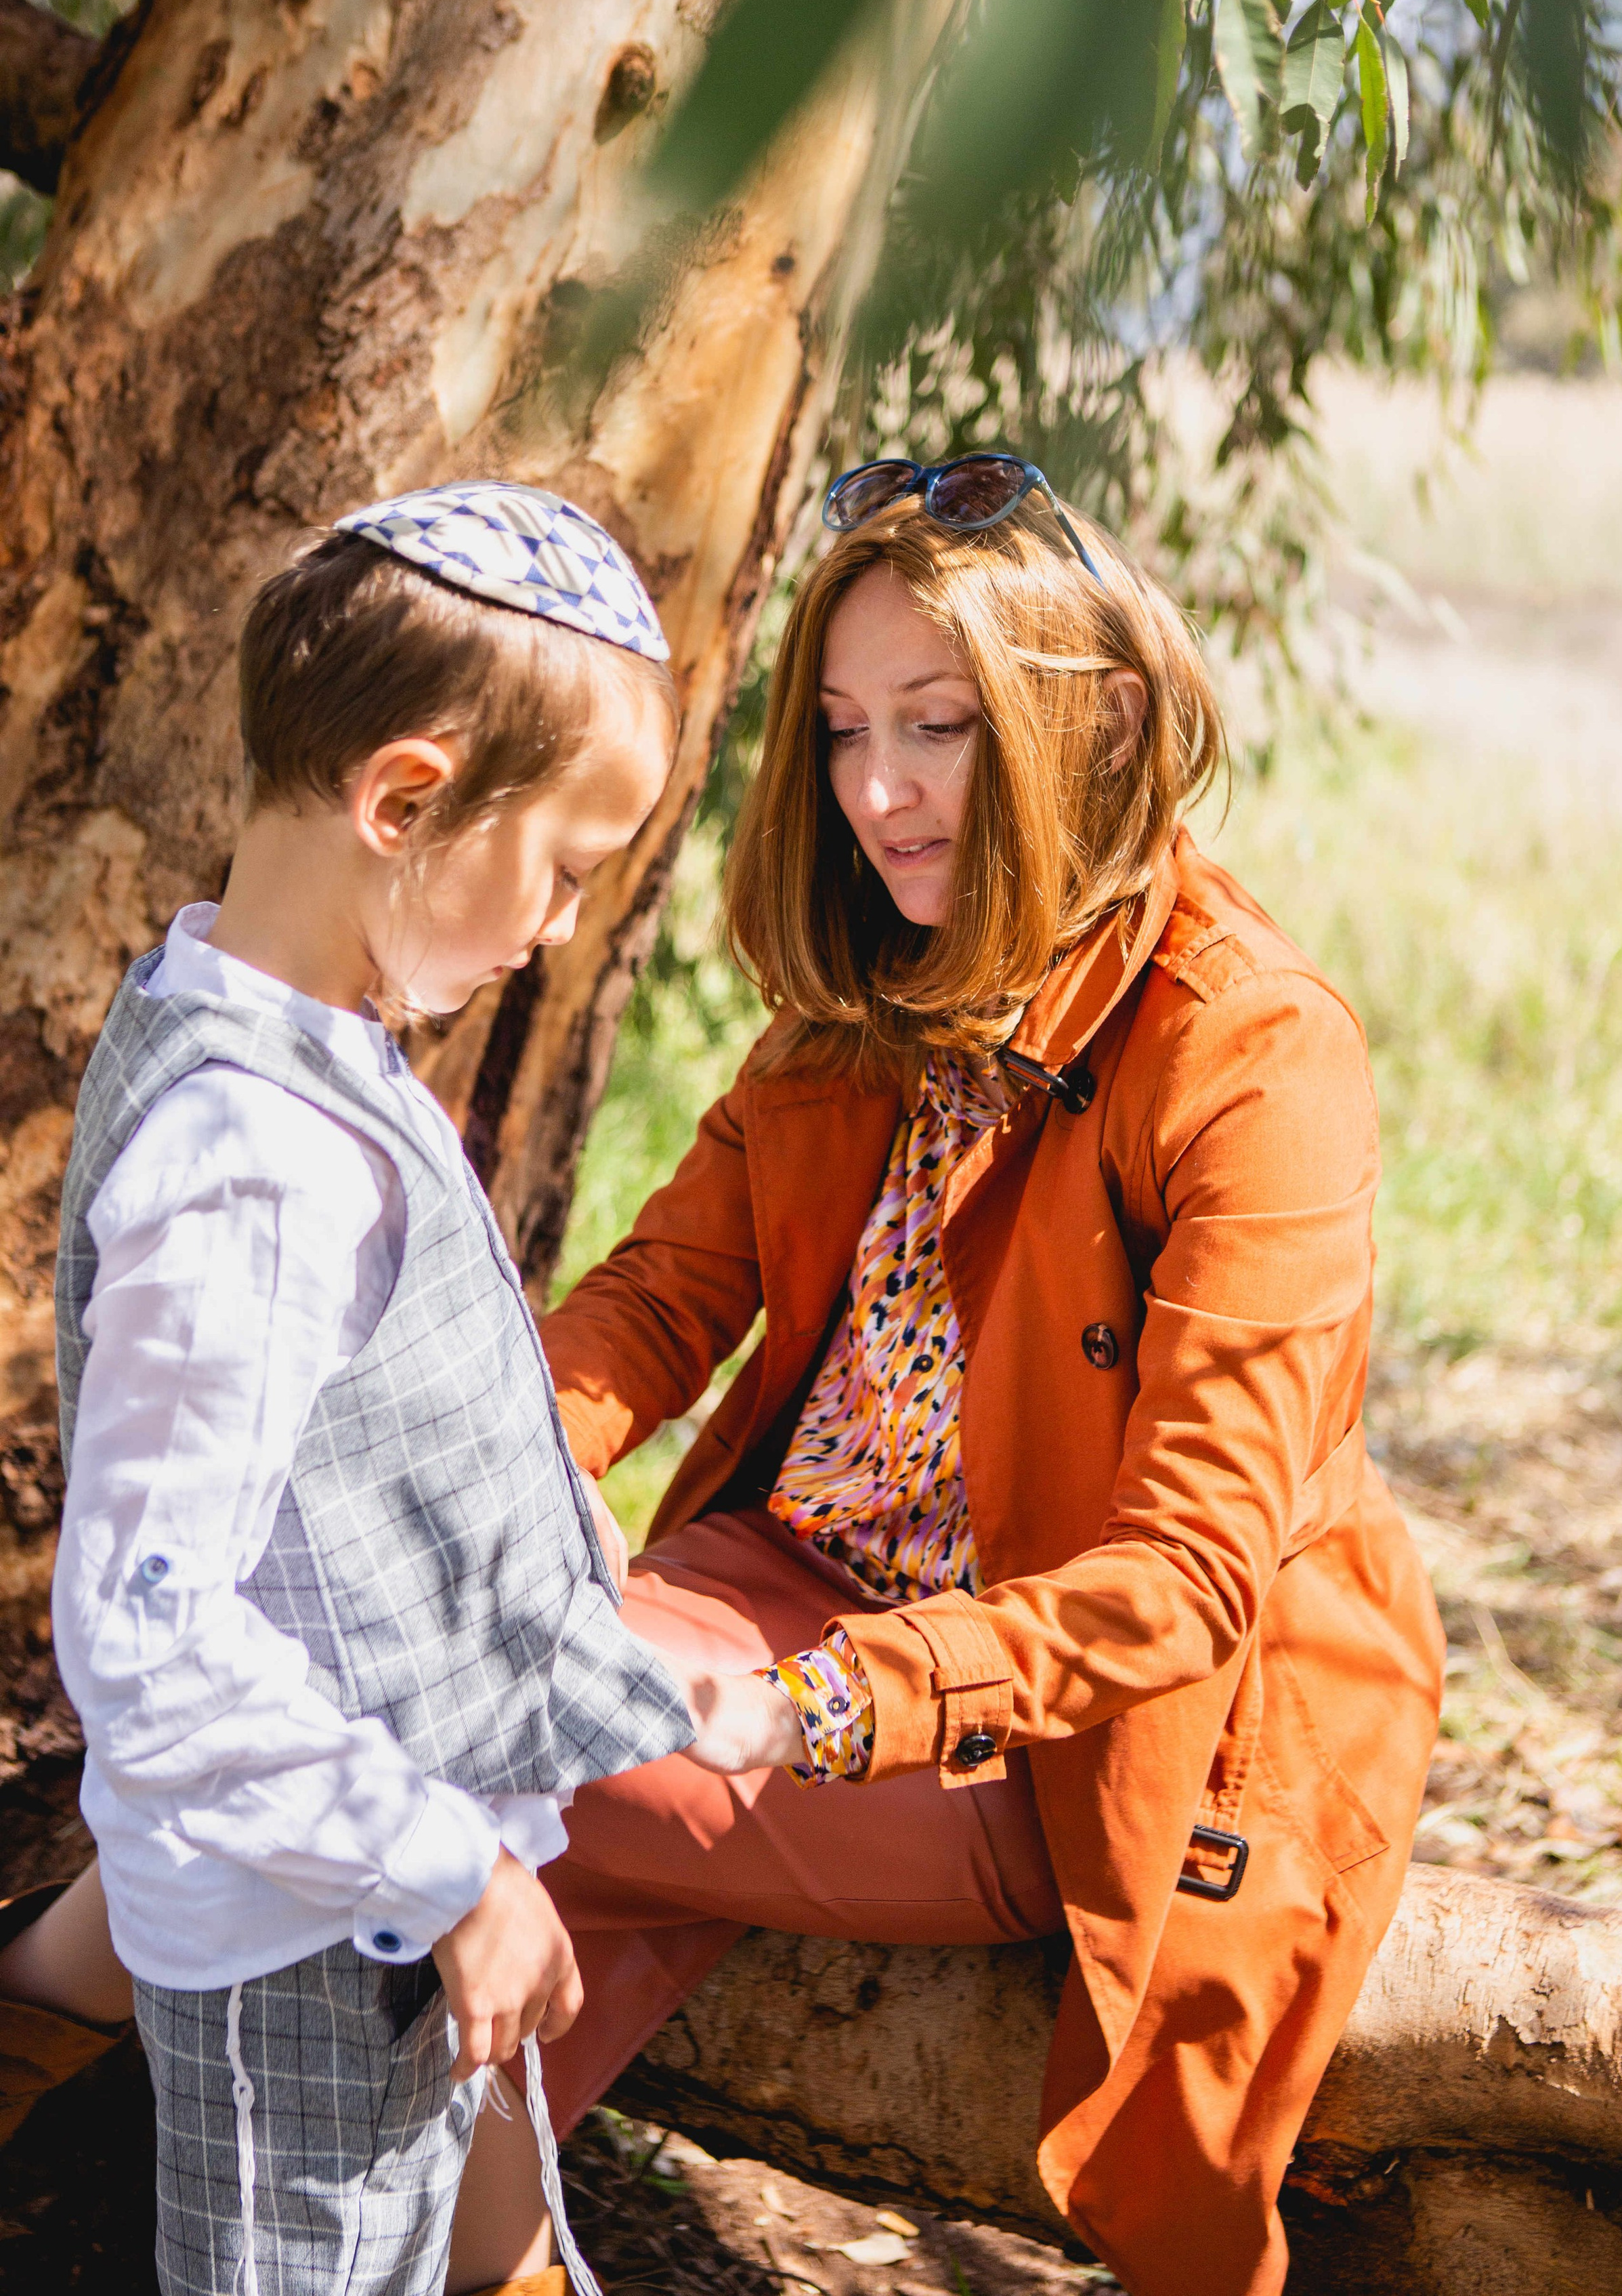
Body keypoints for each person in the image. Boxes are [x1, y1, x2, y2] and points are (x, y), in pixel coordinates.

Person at [486, 454, 1446, 2294]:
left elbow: (1179, 1588)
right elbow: (654, 1301)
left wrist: (830, 1704)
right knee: (456, 1733)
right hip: (788, 1580)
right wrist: (488, 1470)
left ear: (1100, 723)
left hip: (1055, 1710)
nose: (878, 791)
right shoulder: (870, 987)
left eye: (939, 726)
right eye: (845, 731)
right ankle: (464, 2237)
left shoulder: (1250, 1054)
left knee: (482, 1752)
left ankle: (59, 2003)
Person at [26, 484, 778, 2296]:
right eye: (567, 868)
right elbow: (149, 1635)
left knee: (490, 2220)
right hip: (331, 1915)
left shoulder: (278, 1018)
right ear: (405, 801)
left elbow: (365, 1438)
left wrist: (575, 1589)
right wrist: (447, 1871)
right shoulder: (248, 1165)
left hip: (378, 1867)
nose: (563, 926)